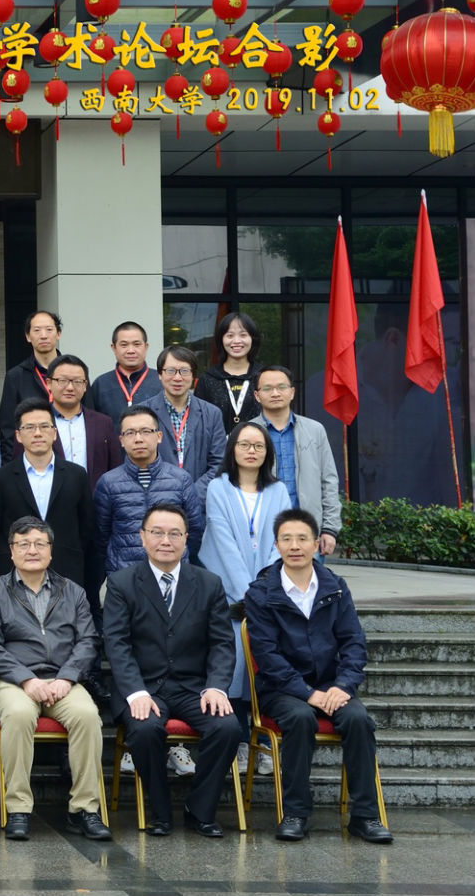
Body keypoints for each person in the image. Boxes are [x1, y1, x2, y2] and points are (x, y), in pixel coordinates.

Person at [245, 508, 392, 844]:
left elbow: (353, 643)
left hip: (332, 686)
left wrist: (344, 685)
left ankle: (365, 816)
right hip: (281, 690)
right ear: (276, 545)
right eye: (286, 539)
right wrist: (307, 693)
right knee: (300, 718)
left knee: (358, 720)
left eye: (302, 539)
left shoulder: (335, 587)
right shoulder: (261, 593)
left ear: (316, 544)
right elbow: (267, 657)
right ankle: (295, 813)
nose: (294, 546)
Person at [101, 504, 241, 838]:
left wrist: (216, 687)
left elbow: (223, 643)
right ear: (142, 537)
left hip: (194, 687)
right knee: (145, 729)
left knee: (227, 727)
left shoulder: (208, 583)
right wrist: (135, 692)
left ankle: (200, 810)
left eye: (174, 534)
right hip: (143, 687)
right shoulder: (121, 583)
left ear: (186, 538)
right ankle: (161, 812)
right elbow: (117, 644)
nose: (166, 541)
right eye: (158, 533)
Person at [0, 517, 111, 842]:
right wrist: (26, 680)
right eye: (23, 544)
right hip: (13, 681)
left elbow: (88, 641)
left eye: (40, 544)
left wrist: (67, 678)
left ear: (51, 550)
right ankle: (18, 808)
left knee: (87, 716)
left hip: (63, 680)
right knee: (19, 714)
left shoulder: (73, 592)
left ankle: (84, 809)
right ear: (11, 551)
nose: (32, 550)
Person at [198, 421, 292, 771]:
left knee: (267, 664)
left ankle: (264, 743)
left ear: (267, 453)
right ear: (232, 449)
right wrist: (247, 593)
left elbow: (280, 540)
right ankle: (238, 741)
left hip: (268, 598)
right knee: (234, 665)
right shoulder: (218, 488)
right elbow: (222, 541)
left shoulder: (278, 490)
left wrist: (263, 590)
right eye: (244, 445)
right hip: (228, 595)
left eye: (259, 446)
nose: (251, 451)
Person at [0, 400, 95, 600]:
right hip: (15, 577)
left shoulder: (76, 475)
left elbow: (87, 528)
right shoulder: (1, 478)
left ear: (55, 433)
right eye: (29, 427)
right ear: (18, 435)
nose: (37, 433)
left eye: (44, 426)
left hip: (67, 574)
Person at [93, 405, 205, 579]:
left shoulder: (181, 479)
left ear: (159, 436)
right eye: (130, 433)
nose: (138, 439)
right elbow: (101, 536)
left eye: (146, 431)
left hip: (172, 574)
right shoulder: (108, 483)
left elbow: (195, 531)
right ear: (121, 440)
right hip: (125, 577)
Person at [250, 367, 342, 557]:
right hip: (262, 532)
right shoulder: (247, 432)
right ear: (257, 396)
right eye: (267, 388)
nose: (275, 393)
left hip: (308, 529)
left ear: (292, 392)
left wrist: (329, 529)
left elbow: (329, 481)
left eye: (281, 387)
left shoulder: (315, 430)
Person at [150, 346, 226, 490]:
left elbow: (219, 463)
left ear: (193, 376)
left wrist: (193, 494)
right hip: (157, 497)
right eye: (171, 371)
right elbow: (138, 460)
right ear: (160, 374)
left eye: (184, 371)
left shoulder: (212, 414)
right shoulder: (144, 413)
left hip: (200, 498)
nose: (177, 377)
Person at [47, 354, 122, 491]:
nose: (70, 387)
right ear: (49, 383)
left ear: (85, 385)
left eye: (77, 381)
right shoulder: (36, 423)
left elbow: (116, 468)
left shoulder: (103, 423)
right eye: (62, 380)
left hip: (95, 500)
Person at [0, 311, 63, 460]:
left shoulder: (74, 372)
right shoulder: (15, 376)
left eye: (49, 329)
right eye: (37, 330)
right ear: (28, 336)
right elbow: (8, 429)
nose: (43, 335)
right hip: (30, 458)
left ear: (58, 334)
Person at [195, 312, 263, 432]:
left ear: (252, 338)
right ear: (221, 339)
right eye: (230, 335)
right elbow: (198, 422)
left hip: (258, 443)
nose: (236, 341)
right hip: (217, 443)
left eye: (243, 335)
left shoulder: (263, 376)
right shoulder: (207, 379)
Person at [85, 321, 159, 421]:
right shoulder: (101, 384)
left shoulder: (161, 381)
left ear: (146, 347)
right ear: (114, 348)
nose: (131, 350)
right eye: (124, 345)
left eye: (137, 344)